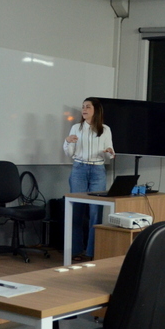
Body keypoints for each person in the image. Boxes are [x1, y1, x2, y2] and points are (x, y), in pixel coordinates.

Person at [63, 97, 115, 259]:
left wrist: (109, 152)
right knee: (76, 210)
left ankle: (91, 252)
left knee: (95, 213)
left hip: (97, 170)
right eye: (83, 107)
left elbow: (110, 153)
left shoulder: (105, 129)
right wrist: (67, 142)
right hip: (79, 169)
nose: (84, 110)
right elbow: (69, 153)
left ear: (96, 110)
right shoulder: (76, 128)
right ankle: (75, 251)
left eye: (88, 107)